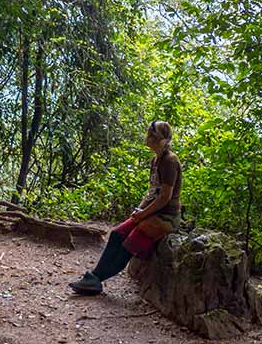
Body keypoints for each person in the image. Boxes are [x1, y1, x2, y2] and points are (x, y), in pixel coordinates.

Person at [68, 120, 182, 295]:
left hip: (166, 217)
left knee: (130, 243)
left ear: (158, 139)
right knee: (117, 234)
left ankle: (95, 279)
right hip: (151, 212)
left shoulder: (170, 161)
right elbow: (153, 190)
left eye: (152, 135)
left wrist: (144, 213)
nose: (148, 137)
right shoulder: (156, 160)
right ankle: (94, 278)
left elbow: (165, 196)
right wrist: (139, 210)